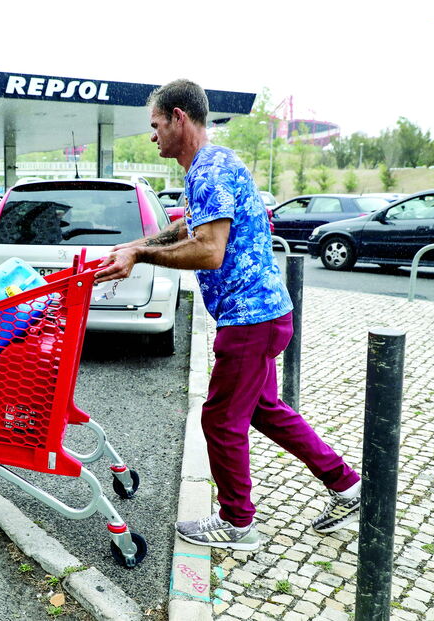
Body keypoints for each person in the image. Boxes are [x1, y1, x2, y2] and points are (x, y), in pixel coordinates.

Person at [95, 79, 361, 551]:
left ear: (179, 118)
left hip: (249, 319)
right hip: (264, 314)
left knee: (219, 420)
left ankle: (237, 523)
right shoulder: (212, 164)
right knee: (264, 409)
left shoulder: (209, 170)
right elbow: (189, 226)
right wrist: (135, 245)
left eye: (156, 125)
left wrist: (142, 256)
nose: (152, 136)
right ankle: (348, 486)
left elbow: (209, 250)